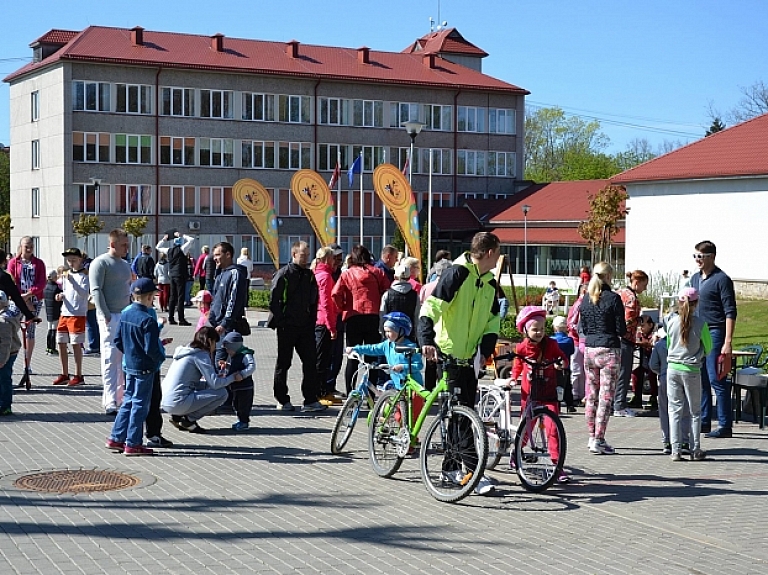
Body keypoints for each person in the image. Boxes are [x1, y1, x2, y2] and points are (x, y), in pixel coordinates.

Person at [419, 231, 502, 496]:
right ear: (489, 253)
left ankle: (451, 467)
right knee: (460, 416)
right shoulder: (457, 273)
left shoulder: (489, 283)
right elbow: (432, 307)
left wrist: (485, 349)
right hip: (448, 354)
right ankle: (470, 471)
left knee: (463, 414)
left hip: (471, 359)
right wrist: (426, 338)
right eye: (498, 253)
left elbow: (493, 321)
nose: (499, 258)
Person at [105, 278, 165, 456]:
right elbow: (151, 348)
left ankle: (116, 438)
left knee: (128, 401)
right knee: (140, 404)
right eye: (153, 296)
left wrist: (130, 353)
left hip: (129, 363)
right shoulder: (148, 319)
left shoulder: (125, 313)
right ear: (148, 297)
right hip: (145, 366)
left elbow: (118, 341)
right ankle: (133, 442)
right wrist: (159, 358)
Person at [510, 306, 569, 483]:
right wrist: (513, 378)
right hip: (529, 393)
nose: (539, 332)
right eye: (535, 329)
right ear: (526, 329)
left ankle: (556, 466)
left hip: (548, 390)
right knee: (527, 426)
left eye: (542, 329)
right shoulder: (522, 347)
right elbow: (517, 364)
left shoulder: (551, 344)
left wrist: (561, 364)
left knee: (553, 429)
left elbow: (562, 358)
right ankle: (517, 453)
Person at [268, 241, 326, 413]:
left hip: (305, 327)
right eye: (303, 255)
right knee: (284, 363)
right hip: (287, 327)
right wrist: (282, 320)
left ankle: (309, 400)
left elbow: (314, 299)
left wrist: (311, 319)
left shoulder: (309, 275)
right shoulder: (284, 274)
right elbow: (273, 300)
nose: (306, 258)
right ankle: (282, 399)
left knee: (310, 362)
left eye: (308, 255)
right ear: (294, 254)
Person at [688, 240, 737, 438]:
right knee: (701, 380)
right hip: (697, 332)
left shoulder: (722, 279)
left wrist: (728, 341)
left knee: (717, 378)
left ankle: (725, 425)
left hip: (715, 332)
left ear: (712, 257)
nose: (697, 260)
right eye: (695, 256)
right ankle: (705, 421)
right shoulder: (694, 279)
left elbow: (730, 311)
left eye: (701, 256)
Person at [580, 261, 626, 455]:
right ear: (608, 276)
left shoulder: (585, 299)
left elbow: (583, 327)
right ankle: (599, 438)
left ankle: (591, 436)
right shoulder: (614, 299)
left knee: (591, 395)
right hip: (609, 350)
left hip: (590, 349)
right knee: (606, 397)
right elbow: (620, 329)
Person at [332, 245, 391, 395]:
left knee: (353, 358)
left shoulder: (347, 274)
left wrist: (343, 307)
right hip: (373, 317)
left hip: (353, 317)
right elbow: (388, 291)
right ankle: (370, 395)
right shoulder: (377, 272)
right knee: (372, 359)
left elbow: (335, 294)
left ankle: (351, 393)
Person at [161, 326, 242, 433]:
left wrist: (221, 374)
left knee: (205, 385)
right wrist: (233, 377)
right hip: (177, 402)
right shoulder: (201, 355)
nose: (215, 348)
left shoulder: (186, 351)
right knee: (222, 393)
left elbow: (209, 381)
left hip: (165, 400)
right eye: (215, 343)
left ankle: (177, 416)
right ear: (209, 341)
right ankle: (189, 419)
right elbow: (215, 384)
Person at [90, 229, 132, 415]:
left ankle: (121, 397)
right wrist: (105, 314)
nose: (127, 248)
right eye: (123, 244)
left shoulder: (125, 265)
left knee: (122, 359)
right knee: (110, 358)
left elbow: (128, 289)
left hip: (125, 315)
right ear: (113, 244)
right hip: (109, 316)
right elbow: (96, 290)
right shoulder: (100, 263)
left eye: (127, 244)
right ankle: (109, 400)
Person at [666, 287, 711, 461]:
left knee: (675, 410)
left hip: (673, 368)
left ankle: (675, 450)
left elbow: (670, 344)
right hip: (691, 369)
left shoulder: (671, 321)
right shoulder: (701, 324)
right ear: (696, 303)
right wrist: (698, 354)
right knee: (695, 411)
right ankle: (695, 448)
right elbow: (708, 347)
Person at [347, 312, 424, 389]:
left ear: (401, 331)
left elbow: (419, 365)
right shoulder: (387, 344)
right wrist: (355, 349)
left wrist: (402, 367)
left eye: (389, 331)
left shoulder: (410, 347)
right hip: (398, 385)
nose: (386, 334)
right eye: (385, 331)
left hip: (414, 387)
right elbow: (373, 348)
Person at [650, 323, 691, 456]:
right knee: (684, 410)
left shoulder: (660, 344)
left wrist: (660, 372)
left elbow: (653, 364)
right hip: (684, 376)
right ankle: (684, 441)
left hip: (665, 378)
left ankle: (668, 441)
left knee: (665, 410)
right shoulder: (685, 341)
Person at [7, 236, 46, 373]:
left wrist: (29, 295)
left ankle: (27, 364)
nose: (29, 249)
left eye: (31, 247)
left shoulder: (39, 263)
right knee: (11, 329)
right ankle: (9, 360)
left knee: (30, 332)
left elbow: (42, 282)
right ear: (21, 247)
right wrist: (22, 299)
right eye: (26, 247)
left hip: (34, 299)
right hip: (17, 299)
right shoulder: (13, 262)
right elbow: (11, 282)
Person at [52, 248, 90, 387]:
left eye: (73, 260)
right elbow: (66, 291)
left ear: (80, 259)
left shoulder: (85, 275)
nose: (71, 263)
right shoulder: (66, 274)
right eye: (69, 260)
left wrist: (73, 282)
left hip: (77, 313)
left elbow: (84, 293)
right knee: (61, 342)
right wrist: (60, 296)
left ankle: (78, 374)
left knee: (75, 344)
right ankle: (64, 373)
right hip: (65, 312)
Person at [615, 270, 649, 417]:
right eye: (644, 285)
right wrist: (640, 321)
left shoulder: (620, 292)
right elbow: (628, 320)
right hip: (626, 339)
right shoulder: (632, 299)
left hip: (615, 338)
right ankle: (620, 405)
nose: (645, 288)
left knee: (616, 374)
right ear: (637, 282)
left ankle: (614, 403)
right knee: (624, 372)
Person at [420, 256, 452, 391]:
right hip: (444, 329)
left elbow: (421, 307)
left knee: (430, 361)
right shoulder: (450, 287)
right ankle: (442, 390)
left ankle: (428, 389)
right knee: (442, 363)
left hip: (428, 326)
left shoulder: (426, 287)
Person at [313, 247, 340, 405]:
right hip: (324, 322)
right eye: (332, 258)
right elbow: (326, 303)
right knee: (322, 360)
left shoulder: (320, 274)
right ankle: (319, 393)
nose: (335, 261)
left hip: (321, 320)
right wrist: (331, 327)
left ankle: (324, 391)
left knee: (325, 358)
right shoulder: (324, 276)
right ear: (327, 259)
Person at [208, 241, 249, 340]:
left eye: (218, 255)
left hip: (227, 328)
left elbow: (234, 300)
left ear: (228, 255)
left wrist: (225, 323)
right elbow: (215, 299)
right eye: (214, 255)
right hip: (216, 325)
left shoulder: (235, 273)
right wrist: (211, 317)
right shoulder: (221, 274)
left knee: (221, 355)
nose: (215, 258)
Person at [156, 230, 195, 325]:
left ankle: (171, 318)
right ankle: (181, 319)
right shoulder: (182, 249)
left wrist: (164, 239)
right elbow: (192, 240)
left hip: (172, 276)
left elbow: (158, 247)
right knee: (180, 297)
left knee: (172, 296)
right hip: (180, 275)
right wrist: (182, 235)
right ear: (180, 242)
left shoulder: (169, 250)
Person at [220, 332, 256, 430]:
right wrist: (226, 366)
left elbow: (251, 366)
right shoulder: (234, 355)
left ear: (235, 347)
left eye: (228, 349)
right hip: (235, 386)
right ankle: (240, 420)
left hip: (245, 386)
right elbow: (234, 366)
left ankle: (244, 422)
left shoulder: (245, 354)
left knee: (243, 406)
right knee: (236, 404)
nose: (227, 351)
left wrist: (243, 374)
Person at [325, 243, 345, 396]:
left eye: (340, 258)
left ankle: (330, 386)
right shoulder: (326, 274)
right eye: (336, 258)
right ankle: (324, 388)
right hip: (326, 320)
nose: (339, 262)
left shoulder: (340, 273)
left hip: (339, 318)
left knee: (337, 356)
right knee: (327, 356)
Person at [380, 260, 418, 339]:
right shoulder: (415, 295)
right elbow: (417, 316)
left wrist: (382, 332)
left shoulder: (387, 294)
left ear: (395, 277)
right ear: (408, 278)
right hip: (409, 334)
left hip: (391, 334)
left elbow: (382, 314)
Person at [628, 315, 658, 411]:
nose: (641, 328)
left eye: (643, 326)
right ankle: (637, 396)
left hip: (653, 361)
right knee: (635, 374)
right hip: (642, 360)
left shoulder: (655, 334)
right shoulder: (640, 334)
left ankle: (653, 398)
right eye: (640, 326)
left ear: (650, 325)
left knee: (651, 375)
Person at [0, 291, 22, 416]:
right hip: (5, 352)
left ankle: (5, 405)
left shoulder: (3, 321)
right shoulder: (6, 314)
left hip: (8, 353)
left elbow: (6, 343)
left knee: (4, 378)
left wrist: (2, 359)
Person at [566, 284, 588, 405]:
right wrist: (582, 332)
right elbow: (571, 323)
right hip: (576, 341)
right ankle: (575, 395)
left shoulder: (585, 304)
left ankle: (582, 394)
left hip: (582, 341)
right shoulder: (579, 305)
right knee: (576, 369)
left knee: (583, 370)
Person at [552, 315, 576, 413]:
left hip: (553, 367)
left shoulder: (551, 340)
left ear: (554, 327)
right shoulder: (569, 340)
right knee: (567, 386)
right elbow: (572, 351)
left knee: (555, 386)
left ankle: (557, 406)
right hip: (566, 366)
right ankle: (570, 405)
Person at [81, 252, 100, 355]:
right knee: (93, 322)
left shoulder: (86, 267)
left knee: (90, 323)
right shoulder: (91, 264)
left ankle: (93, 346)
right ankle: (96, 344)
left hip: (89, 297)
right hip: (93, 296)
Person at [44, 269, 63, 355]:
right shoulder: (56, 288)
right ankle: (53, 348)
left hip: (48, 311)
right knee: (54, 330)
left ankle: (48, 347)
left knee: (49, 329)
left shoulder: (45, 287)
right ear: (54, 277)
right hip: (55, 311)